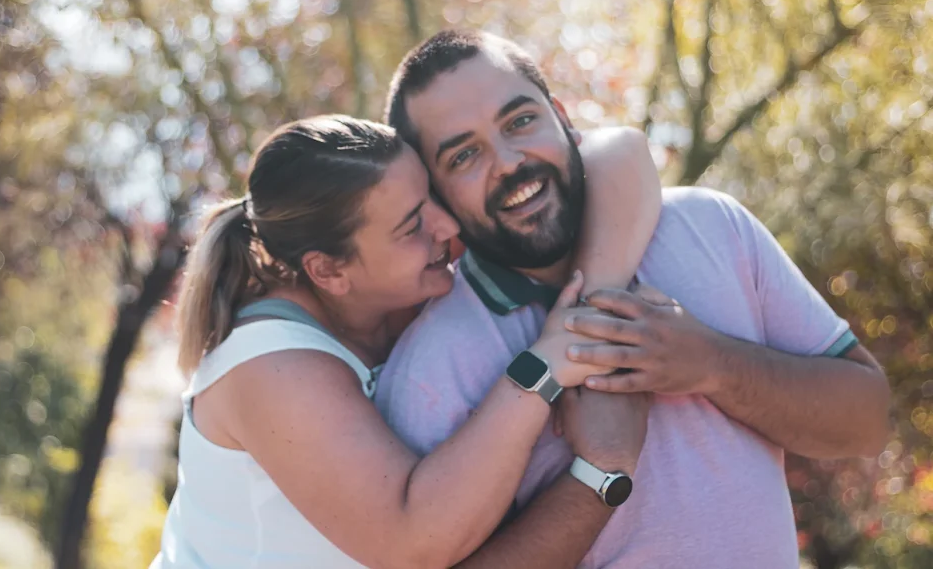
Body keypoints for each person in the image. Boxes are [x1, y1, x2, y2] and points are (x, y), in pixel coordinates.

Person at [376, 29, 892, 568]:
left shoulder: (711, 227)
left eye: (520, 121)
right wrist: (599, 472)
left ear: (560, 115)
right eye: (464, 156)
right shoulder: (431, 367)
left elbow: (867, 420)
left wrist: (714, 364)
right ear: (434, 193)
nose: (508, 162)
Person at [152, 113, 662, 569]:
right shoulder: (268, 367)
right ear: (329, 270)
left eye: (432, 198)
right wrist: (546, 364)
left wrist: (596, 310)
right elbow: (414, 544)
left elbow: (618, 151)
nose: (445, 225)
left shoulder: (400, 274)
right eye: (413, 224)